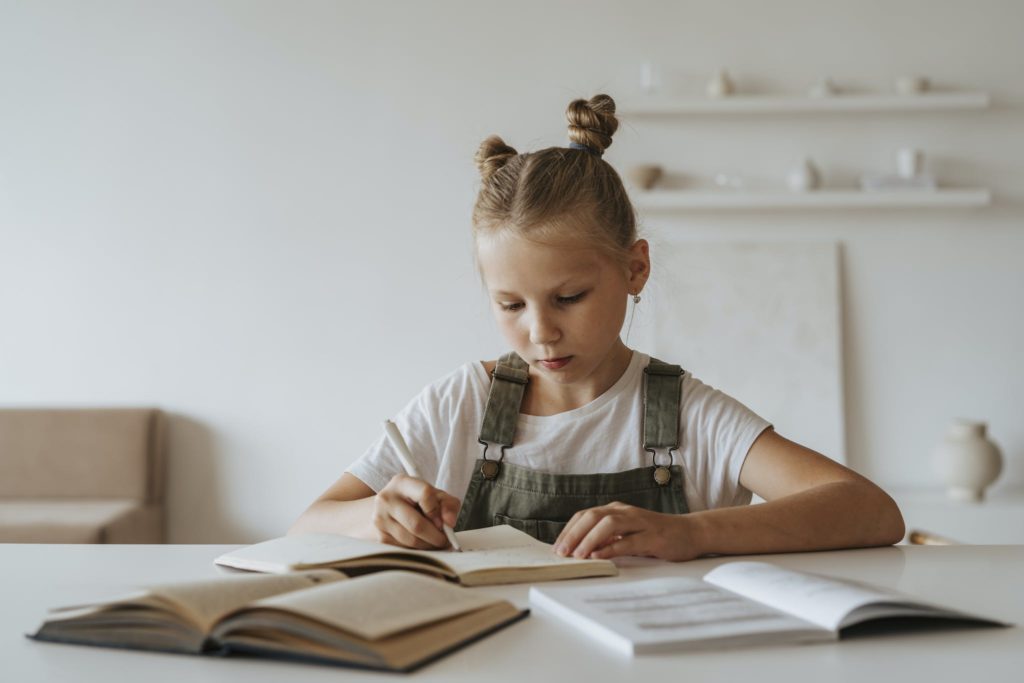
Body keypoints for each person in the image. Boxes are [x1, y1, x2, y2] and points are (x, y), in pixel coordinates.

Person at [290, 94, 905, 562]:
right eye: (510, 306)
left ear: (634, 269)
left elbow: (871, 511)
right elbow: (308, 523)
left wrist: (689, 532)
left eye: (568, 297)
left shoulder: (686, 414)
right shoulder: (462, 404)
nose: (541, 332)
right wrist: (374, 516)